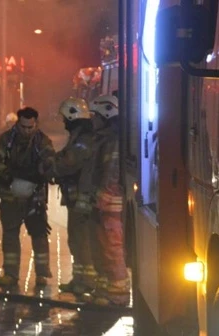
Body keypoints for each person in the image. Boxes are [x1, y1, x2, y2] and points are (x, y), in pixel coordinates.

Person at [0, 107, 55, 289]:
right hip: (10, 197)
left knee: (39, 235)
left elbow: (50, 161)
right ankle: (10, 274)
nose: (27, 131)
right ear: (18, 123)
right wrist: (7, 175)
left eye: (30, 127)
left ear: (36, 124)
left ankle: (42, 274)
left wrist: (39, 174)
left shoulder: (43, 141)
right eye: (24, 127)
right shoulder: (6, 140)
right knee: (10, 235)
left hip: (35, 198)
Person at [41, 97, 98, 296]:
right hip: (76, 197)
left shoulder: (83, 139)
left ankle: (87, 281)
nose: (63, 121)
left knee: (81, 240)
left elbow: (69, 162)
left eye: (65, 117)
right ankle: (80, 280)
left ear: (73, 116)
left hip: (82, 199)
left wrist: (50, 168)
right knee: (75, 239)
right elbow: (65, 156)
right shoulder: (79, 135)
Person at [88, 94, 130, 306]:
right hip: (104, 203)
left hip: (110, 203)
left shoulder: (113, 141)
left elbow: (112, 172)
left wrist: (103, 196)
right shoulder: (105, 138)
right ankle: (106, 289)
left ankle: (118, 293)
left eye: (95, 116)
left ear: (106, 114)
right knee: (105, 246)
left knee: (113, 247)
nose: (93, 120)